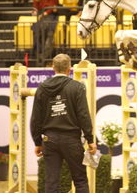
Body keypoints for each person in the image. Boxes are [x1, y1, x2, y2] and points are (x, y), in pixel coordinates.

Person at [30, 53, 97, 193]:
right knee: (80, 180)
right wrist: (90, 139)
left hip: (50, 139)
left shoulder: (42, 88)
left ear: (53, 67)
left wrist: (37, 142)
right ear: (69, 68)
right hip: (71, 139)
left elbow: (35, 118)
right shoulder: (77, 87)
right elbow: (83, 115)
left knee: (51, 181)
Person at [32, 0, 59, 66]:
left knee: (48, 33)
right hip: (41, 17)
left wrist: (44, 14)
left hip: (51, 16)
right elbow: (35, 6)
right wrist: (34, 11)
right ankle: (39, 55)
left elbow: (52, 7)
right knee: (37, 31)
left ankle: (43, 57)